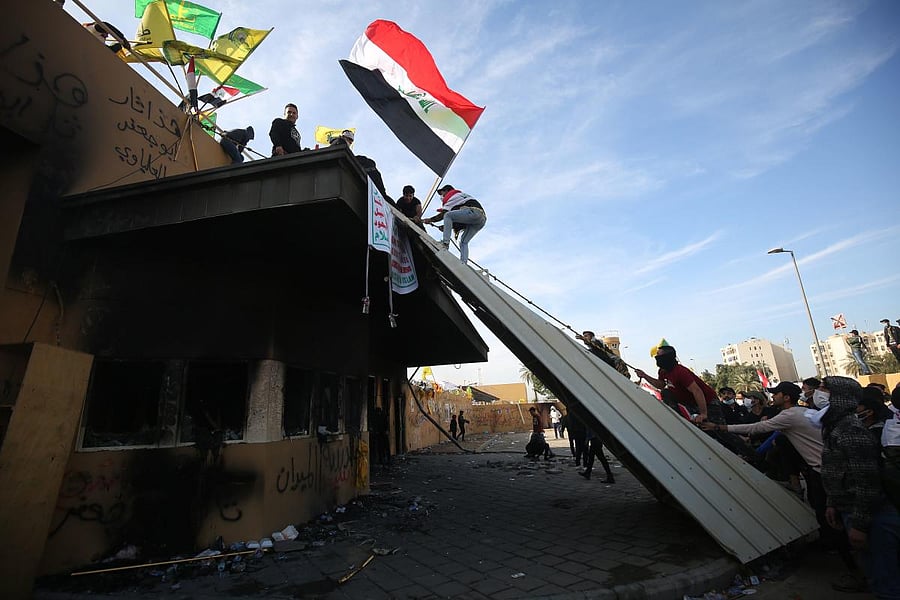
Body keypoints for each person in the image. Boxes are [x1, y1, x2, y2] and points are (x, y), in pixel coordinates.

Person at [819, 376, 900, 598]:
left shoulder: (851, 430)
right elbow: (835, 471)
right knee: (874, 573)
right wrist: (832, 502)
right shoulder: (834, 427)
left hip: (870, 516)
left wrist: (860, 525)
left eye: (825, 390)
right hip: (851, 511)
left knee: (886, 579)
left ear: (841, 397)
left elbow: (867, 481)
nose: (818, 395)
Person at [422, 185, 486, 264]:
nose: (442, 196)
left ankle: (445, 243)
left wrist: (430, 220)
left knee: (447, 215)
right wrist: (446, 227)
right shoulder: (461, 196)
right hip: (481, 219)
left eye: (442, 193)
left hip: (473, 212)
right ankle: (463, 263)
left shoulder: (451, 196)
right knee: (463, 242)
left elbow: (444, 214)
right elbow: (461, 219)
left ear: (447, 190)